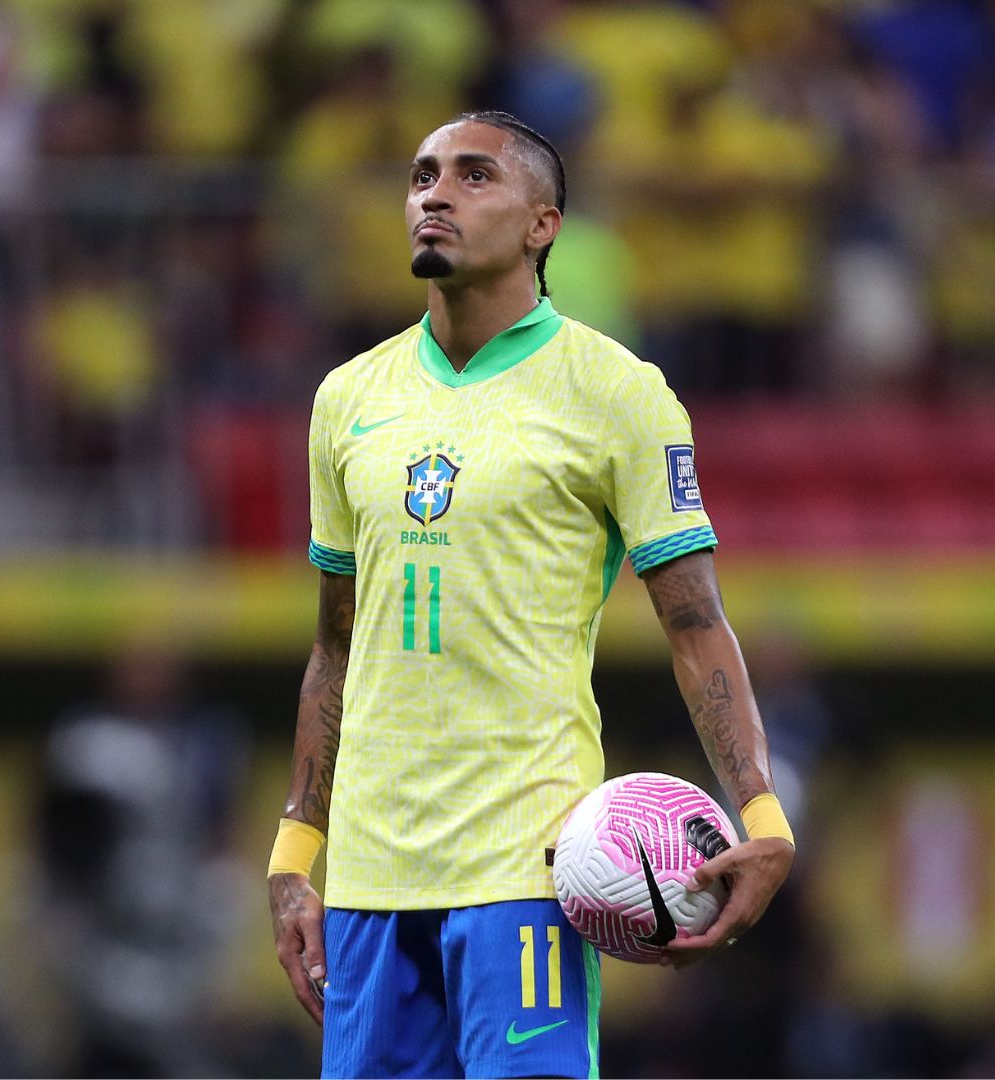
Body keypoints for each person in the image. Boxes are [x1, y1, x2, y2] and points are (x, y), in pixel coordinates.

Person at [267, 110, 797, 1078]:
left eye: (473, 177)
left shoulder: (619, 394)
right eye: (422, 174)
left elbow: (693, 624)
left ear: (541, 224)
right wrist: (293, 855)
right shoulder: (345, 398)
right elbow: (334, 648)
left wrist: (759, 815)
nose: (433, 194)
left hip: (526, 869)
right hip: (370, 882)